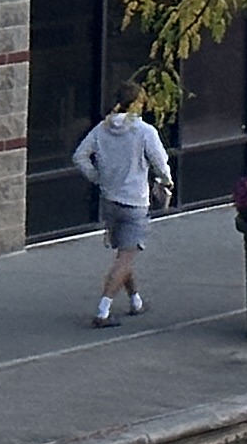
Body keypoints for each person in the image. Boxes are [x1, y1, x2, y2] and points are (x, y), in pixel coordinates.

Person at [70, 99, 173, 326]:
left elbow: (80, 156)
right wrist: (166, 182)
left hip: (110, 201)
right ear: (137, 104)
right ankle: (103, 311)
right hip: (135, 203)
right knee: (125, 258)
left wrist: (98, 178)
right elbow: (160, 162)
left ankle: (136, 301)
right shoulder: (145, 131)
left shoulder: (102, 128)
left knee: (124, 255)